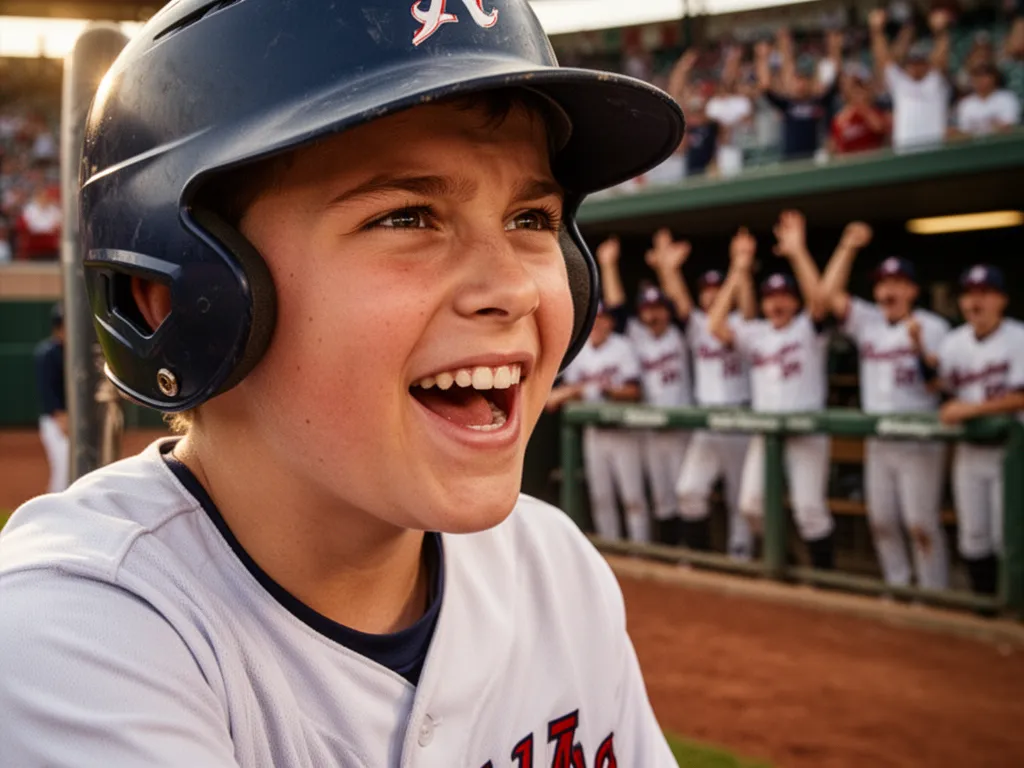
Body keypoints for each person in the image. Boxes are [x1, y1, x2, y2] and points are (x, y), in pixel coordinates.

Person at [0, 1, 685, 764]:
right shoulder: (74, 637)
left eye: (531, 217)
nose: (513, 288)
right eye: (407, 218)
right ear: (174, 294)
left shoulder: (556, 572)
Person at [818, 224, 951, 591]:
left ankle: (932, 595)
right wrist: (846, 246)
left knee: (920, 524)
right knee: (882, 521)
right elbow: (826, 295)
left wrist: (921, 347)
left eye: (897, 283)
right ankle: (897, 585)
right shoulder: (869, 322)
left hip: (919, 438)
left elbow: (938, 382)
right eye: (882, 283)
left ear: (912, 289)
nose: (889, 290)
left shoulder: (933, 326)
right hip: (879, 438)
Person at [707, 211, 836, 569]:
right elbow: (714, 325)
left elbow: (821, 302)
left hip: (806, 430)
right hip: (766, 433)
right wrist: (738, 269)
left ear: (794, 302)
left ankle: (825, 580)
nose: (776, 303)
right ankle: (790, 558)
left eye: (784, 297)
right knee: (750, 505)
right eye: (770, 298)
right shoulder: (757, 332)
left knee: (811, 509)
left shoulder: (808, 330)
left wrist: (797, 252)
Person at [651, 229, 757, 558]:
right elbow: (679, 299)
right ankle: (699, 557)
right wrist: (668, 270)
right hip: (706, 420)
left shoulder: (745, 323)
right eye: (707, 291)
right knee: (689, 490)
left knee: (741, 501)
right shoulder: (697, 324)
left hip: (739, 417)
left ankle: (740, 559)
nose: (711, 296)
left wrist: (740, 270)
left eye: (717, 290)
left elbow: (745, 308)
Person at [595, 232, 692, 544]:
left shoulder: (679, 334)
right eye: (648, 309)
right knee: (662, 497)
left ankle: (690, 554)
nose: (653, 314)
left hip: (680, 425)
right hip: (649, 428)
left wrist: (668, 270)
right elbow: (618, 310)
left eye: (659, 308)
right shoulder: (636, 335)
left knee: (686, 494)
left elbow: (683, 308)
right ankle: (671, 553)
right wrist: (608, 266)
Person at [937, 265, 1024, 596]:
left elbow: (1020, 397)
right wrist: (918, 349)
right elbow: (938, 386)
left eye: (985, 294)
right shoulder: (953, 342)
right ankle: (984, 612)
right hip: (970, 452)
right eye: (970, 295)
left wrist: (970, 409)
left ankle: (1012, 611)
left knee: (1009, 539)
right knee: (973, 538)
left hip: (1012, 453)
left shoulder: (1018, 337)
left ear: (1001, 300)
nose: (976, 302)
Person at [547, 302, 649, 543]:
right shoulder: (580, 352)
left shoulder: (622, 347)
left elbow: (634, 391)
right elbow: (560, 397)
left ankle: (640, 551)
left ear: (611, 323)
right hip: (594, 433)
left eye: (603, 319)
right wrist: (584, 390)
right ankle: (611, 551)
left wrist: (599, 389)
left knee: (633, 498)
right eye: (594, 319)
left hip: (623, 431)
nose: (598, 324)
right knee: (601, 497)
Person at [870, 7, 953, 152]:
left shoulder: (935, 81)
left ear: (927, 64)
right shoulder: (901, 83)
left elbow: (941, 58)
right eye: (912, 63)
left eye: (920, 62)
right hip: (905, 151)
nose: (916, 67)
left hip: (936, 149)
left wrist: (941, 32)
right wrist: (877, 31)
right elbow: (883, 59)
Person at [756, 29, 841, 161]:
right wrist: (763, 57)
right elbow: (765, 88)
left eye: (803, 79)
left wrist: (835, 48)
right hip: (791, 158)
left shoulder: (818, 101)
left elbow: (835, 81)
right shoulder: (787, 104)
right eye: (797, 79)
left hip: (815, 156)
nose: (800, 84)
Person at [33, 303, 68, 494]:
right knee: (63, 466)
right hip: (55, 420)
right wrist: (61, 418)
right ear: (58, 328)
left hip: (75, 419)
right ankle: (54, 509)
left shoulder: (76, 353)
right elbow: (47, 390)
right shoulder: (48, 353)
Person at [951, 62, 1022, 138]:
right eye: (976, 76)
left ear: (994, 78)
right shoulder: (965, 104)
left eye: (984, 76)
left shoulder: (1007, 98)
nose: (980, 80)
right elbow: (964, 133)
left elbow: (1010, 128)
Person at [830, 71, 889, 154]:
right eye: (855, 92)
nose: (859, 96)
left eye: (861, 91)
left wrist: (863, 110)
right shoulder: (842, 117)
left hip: (873, 158)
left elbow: (880, 127)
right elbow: (836, 143)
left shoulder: (876, 112)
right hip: (852, 161)